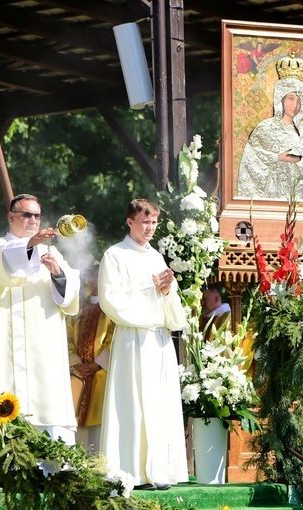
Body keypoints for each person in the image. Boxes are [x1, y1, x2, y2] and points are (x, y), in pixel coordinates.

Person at [98, 198, 188, 491]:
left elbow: (168, 300)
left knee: (159, 402)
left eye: (153, 223)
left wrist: (165, 291)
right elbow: (111, 300)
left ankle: (159, 470)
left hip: (158, 339)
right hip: (132, 339)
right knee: (132, 403)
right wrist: (151, 290)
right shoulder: (114, 255)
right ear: (130, 222)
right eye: (144, 222)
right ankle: (131, 471)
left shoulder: (156, 257)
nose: (150, 228)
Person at [0, 194, 81, 444]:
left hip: (44, 345)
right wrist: (29, 246)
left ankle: (53, 466)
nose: (33, 220)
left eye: (37, 215)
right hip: (7, 342)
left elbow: (70, 295)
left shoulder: (52, 251)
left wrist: (57, 273)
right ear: (11, 217)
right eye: (27, 214)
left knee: (48, 399)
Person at [236, 53, 303, 201]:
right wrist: (278, 158)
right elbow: (251, 158)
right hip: (276, 197)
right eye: (291, 98)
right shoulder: (266, 128)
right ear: (280, 98)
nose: (295, 105)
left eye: (299, 100)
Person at [67, 264, 115, 453]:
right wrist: (76, 362)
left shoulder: (110, 308)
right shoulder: (78, 308)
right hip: (79, 374)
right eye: (94, 277)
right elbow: (67, 335)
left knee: (100, 419)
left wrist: (97, 364)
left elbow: (114, 337)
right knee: (78, 421)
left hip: (102, 372)